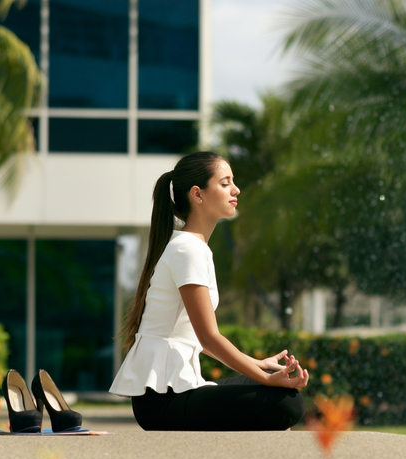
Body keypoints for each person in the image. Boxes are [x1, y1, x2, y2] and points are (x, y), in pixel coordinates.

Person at [110, 151, 308, 430]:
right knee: (286, 403)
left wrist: (258, 365)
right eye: (225, 183)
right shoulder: (187, 249)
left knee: (284, 394)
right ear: (197, 194)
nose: (235, 190)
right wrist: (264, 378)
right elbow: (208, 337)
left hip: (174, 394)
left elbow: (198, 338)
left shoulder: (192, 247)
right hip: (163, 401)